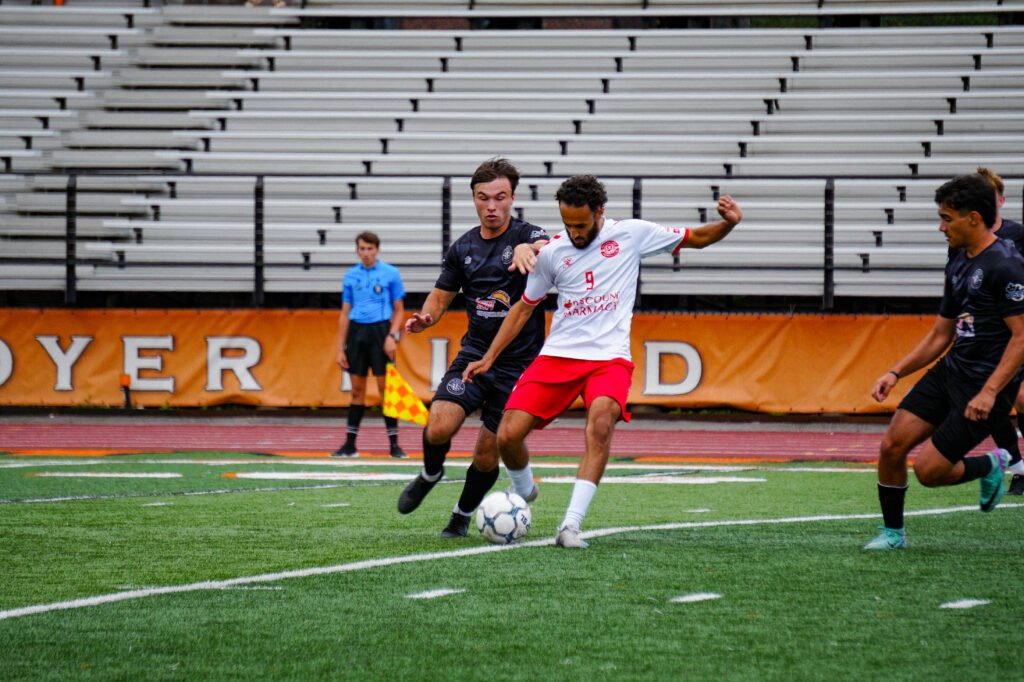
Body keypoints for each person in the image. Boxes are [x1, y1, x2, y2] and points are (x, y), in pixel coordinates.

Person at [463, 174, 744, 549]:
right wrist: (488, 357)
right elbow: (522, 310)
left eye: (581, 224)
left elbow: (698, 238)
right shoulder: (552, 253)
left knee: (600, 425)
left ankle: (570, 527)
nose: (575, 233)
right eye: (568, 225)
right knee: (507, 436)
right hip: (559, 356)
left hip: (609, 359)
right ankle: (524, 491)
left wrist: (727, 224)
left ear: (600, 212)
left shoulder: (632, 234)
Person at [865, 173, 1024, 550]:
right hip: (951, 370)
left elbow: (1021, 338)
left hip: (984, 387)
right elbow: (941, 333)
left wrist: (988, 393)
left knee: (929, 472)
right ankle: (893, 535)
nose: (941, 227)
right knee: (891, 447)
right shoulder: (956, 260)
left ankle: (992, 464)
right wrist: (895, 371)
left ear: (973, 218)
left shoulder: (1007, 266)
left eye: (947, 218)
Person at [396, 158, 550, 537]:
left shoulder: (528, 235)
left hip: (519, 366)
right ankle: (431, 472)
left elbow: (550, 244)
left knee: (487, 451)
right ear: (474, 199)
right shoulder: (462, 247)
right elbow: (440, 295)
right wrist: (426, 318)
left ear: (512, 198)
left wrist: (529, 248)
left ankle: (461, 515)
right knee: (438, 426)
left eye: (500, 197)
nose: (492, 206)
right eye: (483, 198)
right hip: (474, 354)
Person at [334, 231, 407, 459]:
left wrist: (391, 336)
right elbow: (345, 314)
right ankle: (349, 445)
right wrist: (340, 348)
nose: (366, 253)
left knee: (386, 389)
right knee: (357, 391)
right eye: (362, 249)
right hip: (357, 333)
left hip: (380, 331)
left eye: (370, 248)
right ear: (357, 250)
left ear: (377, 249)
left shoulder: (390, 273)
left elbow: (399, 310)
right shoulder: (350, 275)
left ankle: (394, 445)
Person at [974, 167, 1024, 495]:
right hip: (985, 334)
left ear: (1001, 201)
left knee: (1020, 396)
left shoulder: (1017, 234)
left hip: (1016, 327)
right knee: (988, 404)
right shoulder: (965, 237)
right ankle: (1019, 468)